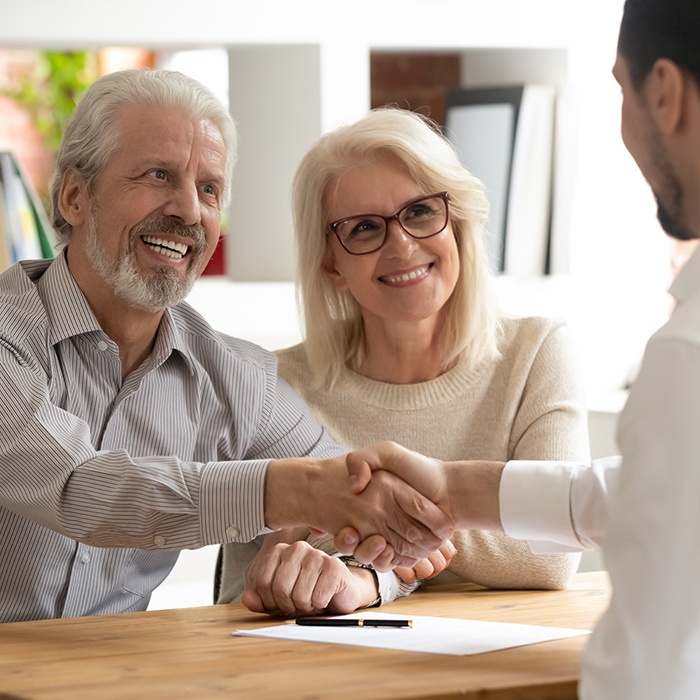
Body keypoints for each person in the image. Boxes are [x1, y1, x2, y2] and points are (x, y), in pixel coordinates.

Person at [0, 68, 452, 623]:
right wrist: (296, 491)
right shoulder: (8, 335)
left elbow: (353, 498)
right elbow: (78, 486)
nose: (190, 211)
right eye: (158, 175)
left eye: (208, 188)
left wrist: (355, 572)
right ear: (74, 196)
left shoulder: (238, 378)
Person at [343, 1, 700, 696]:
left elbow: (649, 668)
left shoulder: (686, 353)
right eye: (361, 227)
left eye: (621, 92)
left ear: (664, 92)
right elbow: (640, 495)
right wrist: (452, 491)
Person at [218, 107, 590, 614]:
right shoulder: (270, 386)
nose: (402, 245)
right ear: (331, 262)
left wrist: (369, 543)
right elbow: (246, 588)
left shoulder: (537, 353)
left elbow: (550, 551)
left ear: (456, 221)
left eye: (419, 212)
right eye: (365, 228)